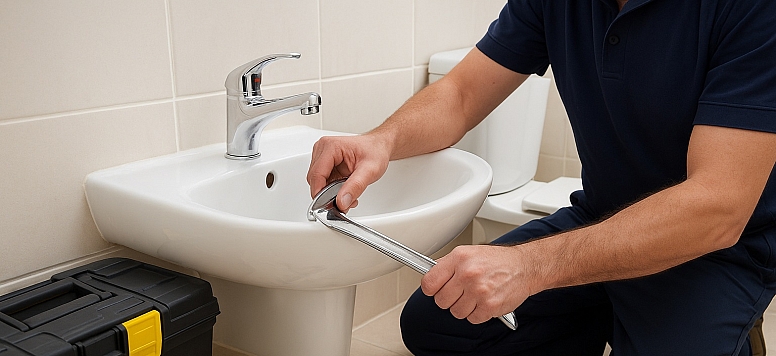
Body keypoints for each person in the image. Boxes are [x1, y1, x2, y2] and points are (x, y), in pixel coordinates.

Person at [306, 0, 776, 354]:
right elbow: (462, 94)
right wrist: (382, 141)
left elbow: (717, 206)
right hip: (601, 216)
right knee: (439, 322)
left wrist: (530, 267)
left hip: (715, 251)